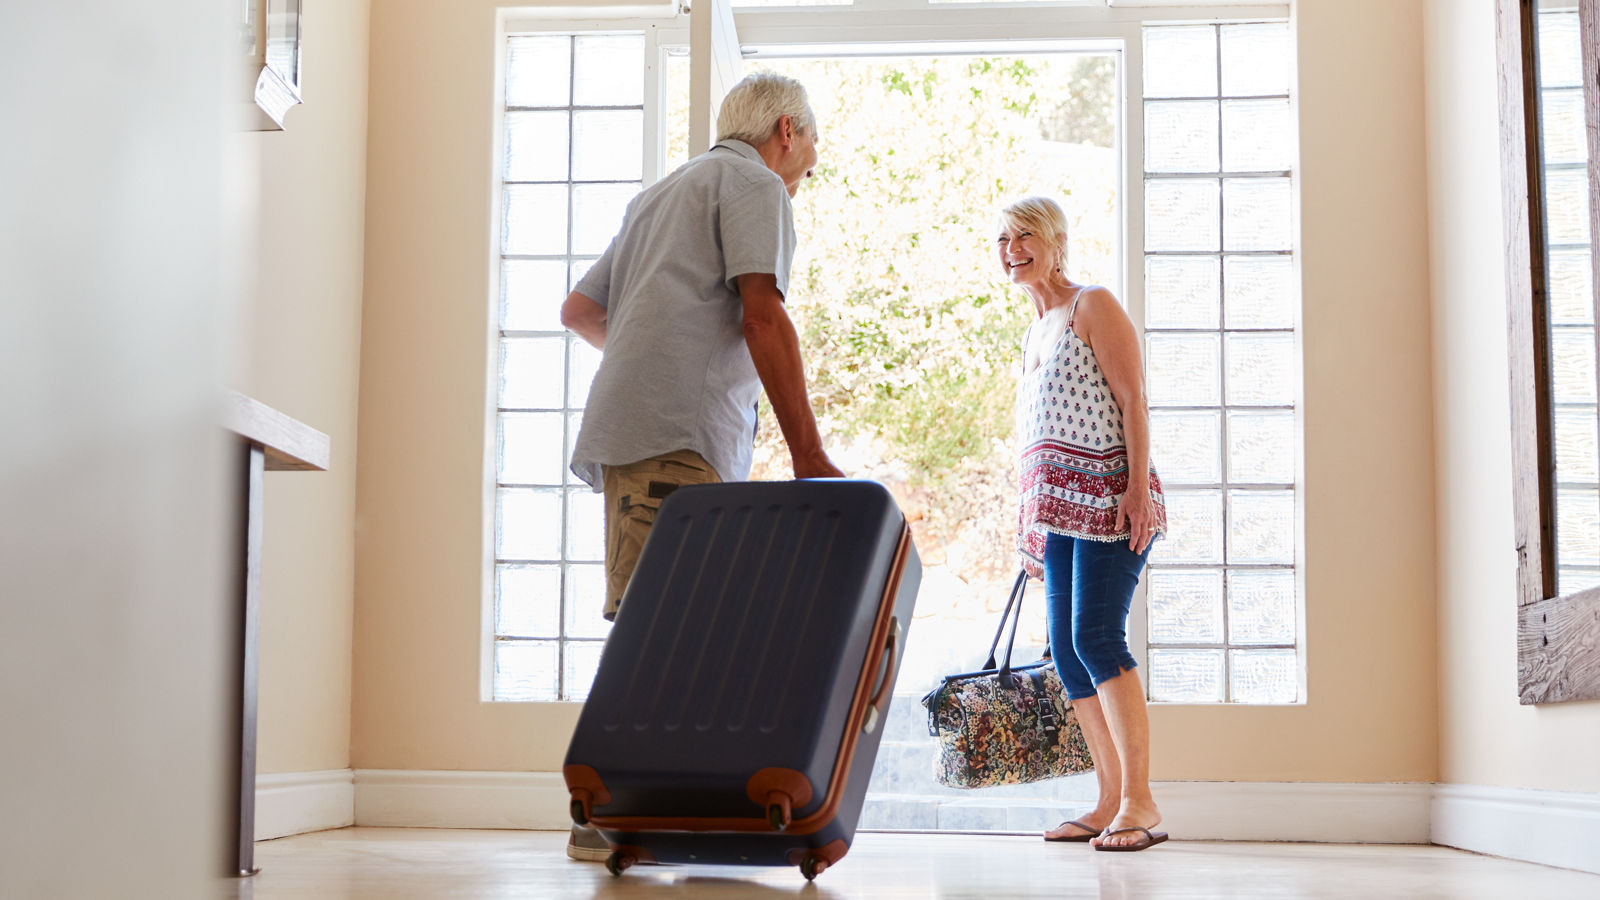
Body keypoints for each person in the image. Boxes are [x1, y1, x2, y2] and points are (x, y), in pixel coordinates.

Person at [558, 71, 843, 861]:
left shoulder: (663, 192)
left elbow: (580, 311)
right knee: (666, 627)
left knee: (660, 620)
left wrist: (653, 358)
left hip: (636, 431)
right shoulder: (753, 182)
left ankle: (645, 807)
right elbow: (762, 314)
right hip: (677, 435)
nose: (807, 167)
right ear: (787, 130)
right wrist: (809, 453)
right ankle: (606, 812)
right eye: (810, 150)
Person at [999, 196, 1170, 852]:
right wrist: (1031, 527)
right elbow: (1036, 438)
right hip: (1061, 514)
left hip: (1111, 500)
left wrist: (1134, 489)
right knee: (1069, 652)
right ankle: (1107, 800)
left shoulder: (1090, 305)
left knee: (1097, 638)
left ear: (1056, 240)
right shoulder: (1035, 328)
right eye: (1003, 239)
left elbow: (1134, 401)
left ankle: (1141, 801)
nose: (1012, 248)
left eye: (1025, 236)